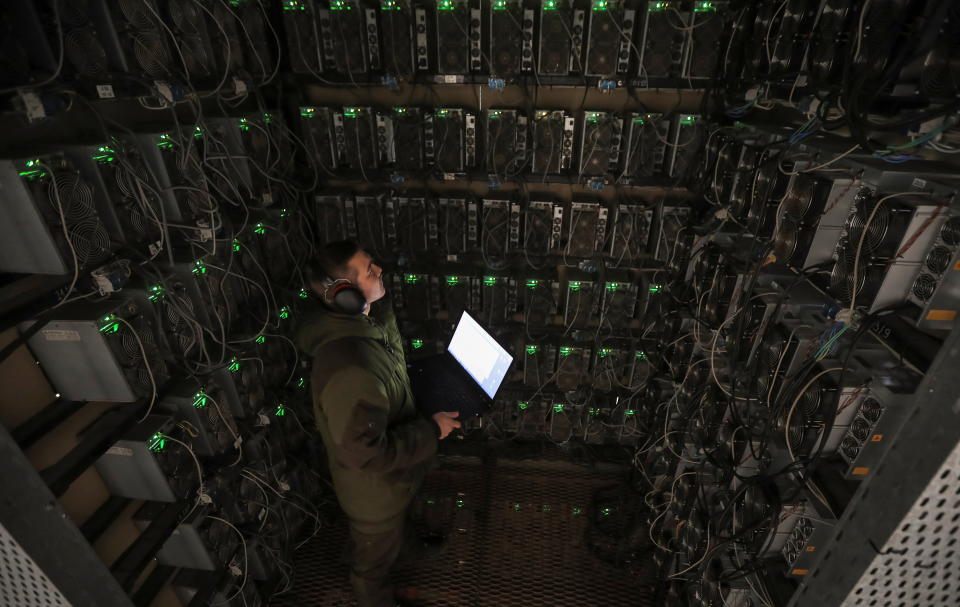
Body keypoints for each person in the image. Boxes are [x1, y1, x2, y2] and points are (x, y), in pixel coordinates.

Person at [296, 240, 461, 607]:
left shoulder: (361, 324)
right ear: (344, 295)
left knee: (394, 536)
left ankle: (405, 551)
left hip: (393, 484)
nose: (380, 271)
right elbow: (367, 455)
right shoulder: (349, 366)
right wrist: (432, 430)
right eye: (369, 271)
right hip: (374, 496)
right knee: (371, 568)